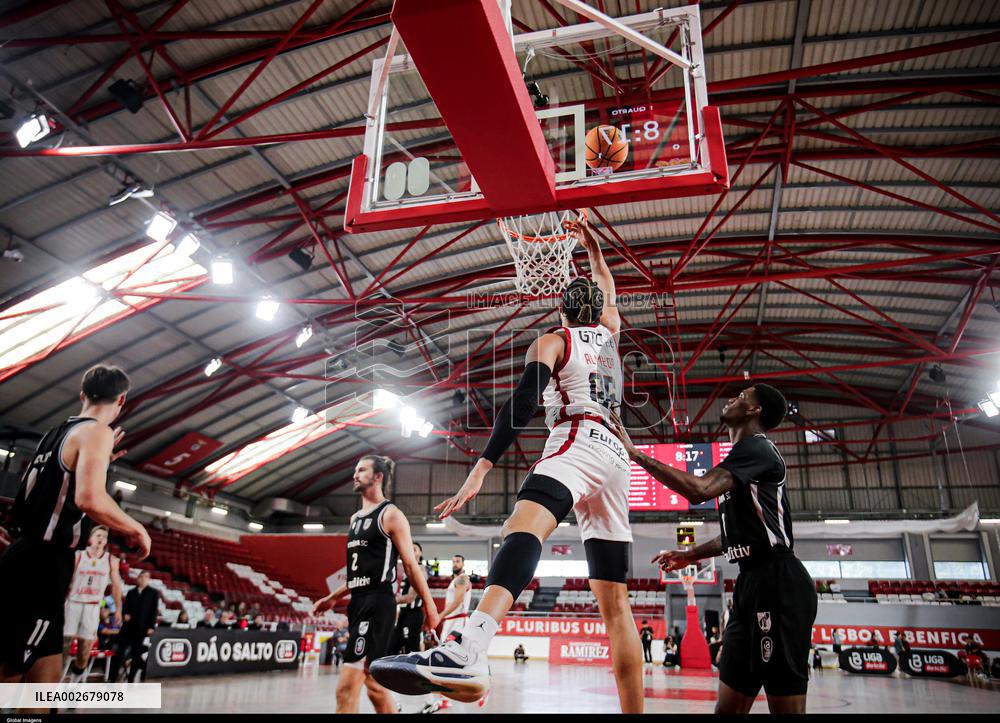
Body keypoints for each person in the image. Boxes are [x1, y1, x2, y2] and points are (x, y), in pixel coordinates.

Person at [372, 215, 644, 713]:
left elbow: (520, 404)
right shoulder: (611, 335)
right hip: (618, 458)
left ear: (563, 309)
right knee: (617, 605)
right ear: (599, 309)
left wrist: (482, 466)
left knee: (524, 525)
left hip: (579, 439)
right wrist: (594, 245)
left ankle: (469, 649)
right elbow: (606, 282)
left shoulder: (554, 341)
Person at [614, 383, 817, 715]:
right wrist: (689, 554)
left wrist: (637, 455)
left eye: (740, 397)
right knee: (729, 706)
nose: (730, 399)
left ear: (755, 411)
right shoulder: (741, 461)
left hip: (781, 584)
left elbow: (699, 490)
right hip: (750, 584)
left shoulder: (759, 449)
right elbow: (736, 536)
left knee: (786, 705)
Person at [0, 365, 150, 696]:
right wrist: (136, 528)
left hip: (31, 556)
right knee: (9, 671)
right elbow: (89, 498)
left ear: (82, 395)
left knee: (47, 673)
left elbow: (54, 490)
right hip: (42, 564)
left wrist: (98, 464)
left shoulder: (55, 433)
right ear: (121, 400)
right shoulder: (98, 431)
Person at [312, 455, 440, 714]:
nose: (355, 475)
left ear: (378, 476)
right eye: (355, 470)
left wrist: (430, 607)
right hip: (358, 602)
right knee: (375, 685)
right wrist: (332, 598)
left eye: (361, 470)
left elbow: (411, 566)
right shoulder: (355, 519)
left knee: (347, 688)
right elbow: (358, 574)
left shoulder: (391, 514)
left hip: (378, 604)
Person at [64, 525, 124, 682]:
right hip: (73, 603)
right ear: (90, 538)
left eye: (104, 536)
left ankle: (74, 685)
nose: (101, 538)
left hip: (93, 606)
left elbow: (117, 585)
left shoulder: (111, 560)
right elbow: (65, 579)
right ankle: (54, 687)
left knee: (84, 650)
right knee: (63, 645)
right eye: (98, 534)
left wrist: (118, 608)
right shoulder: (78, 556)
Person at [109, 569, 159, 682]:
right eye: (141, 577)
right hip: (127, 628)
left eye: (146, 577)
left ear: (148, 579)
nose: (143, 579)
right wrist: (124, 614)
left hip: (141, 629)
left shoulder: (153, 593)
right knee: (119, 653)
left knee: (136, 655)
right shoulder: (131, 592)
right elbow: (125, 607)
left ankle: (131, 679)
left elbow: (153, 611)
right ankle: (113, 677)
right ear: (138, 578)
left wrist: (151, 626)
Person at [391, 542, 427, 655]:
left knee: (411, 649)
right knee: (391, 647)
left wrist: (388, 600)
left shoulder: (420, 569)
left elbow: (410, 598)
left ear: (420, 553)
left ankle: (414, 672)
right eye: (409, 549)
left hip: (413, 614)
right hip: (404, 613)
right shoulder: (408, 570)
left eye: (415, 549)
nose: (411, 551)